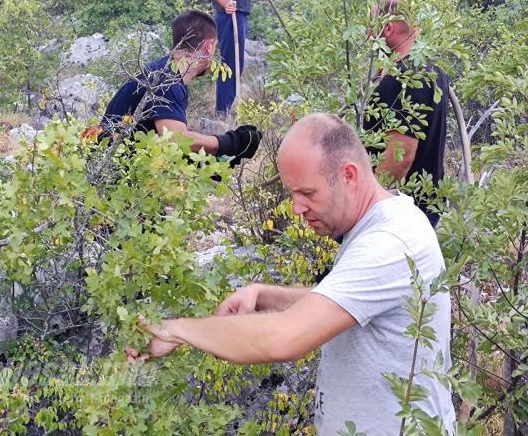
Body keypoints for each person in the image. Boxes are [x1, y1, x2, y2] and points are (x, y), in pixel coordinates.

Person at [129, 113, 455, 435]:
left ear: (349, 175)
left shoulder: (389, 243)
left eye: (308, 194)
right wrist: (264, 295)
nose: (296, 208)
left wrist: (174, 330)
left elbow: (283, 338)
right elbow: (343, 301)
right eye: (292, 194)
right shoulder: (379, 224)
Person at [101, 10, 260, 161]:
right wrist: (230, 143)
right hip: (111, 175)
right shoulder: (166, 81)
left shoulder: (167, 72)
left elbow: (164, 141)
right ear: (208, 46)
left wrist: (209, 160)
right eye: (214, 48)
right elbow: (177, 139)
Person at [363, 0, 449, 228]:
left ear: (388, 28)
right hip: (425, 207)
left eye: (372, 27)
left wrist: (370, 210)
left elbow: (399, 156)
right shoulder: (433, 71)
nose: (369, 36)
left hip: (400, 216)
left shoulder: (402, 80)